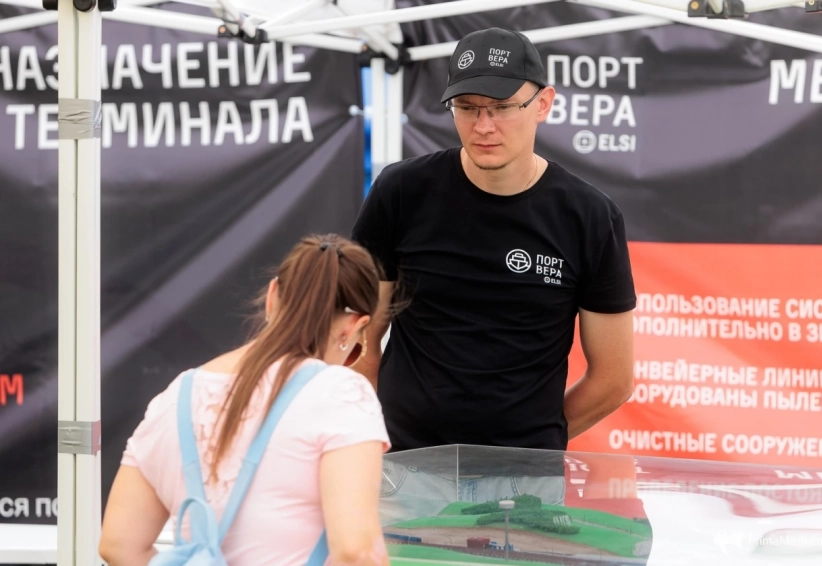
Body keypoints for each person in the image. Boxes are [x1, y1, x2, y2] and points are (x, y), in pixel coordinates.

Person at [351, 27, 636, 454]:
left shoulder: (590, 216)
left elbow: (613, 380)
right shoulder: (402, 191)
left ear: (543, 104)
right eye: (467, 107)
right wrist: (373, 438)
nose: (484, 126)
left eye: (502, 107)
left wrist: (530, 446)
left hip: (524, 477)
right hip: (406, 463)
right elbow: (359, 340)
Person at [100, 234, 392, 566]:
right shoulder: (342, 394)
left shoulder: (178, 395)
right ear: (354, 326)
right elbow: (357, 552)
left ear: (272, 295)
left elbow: (118, 544)